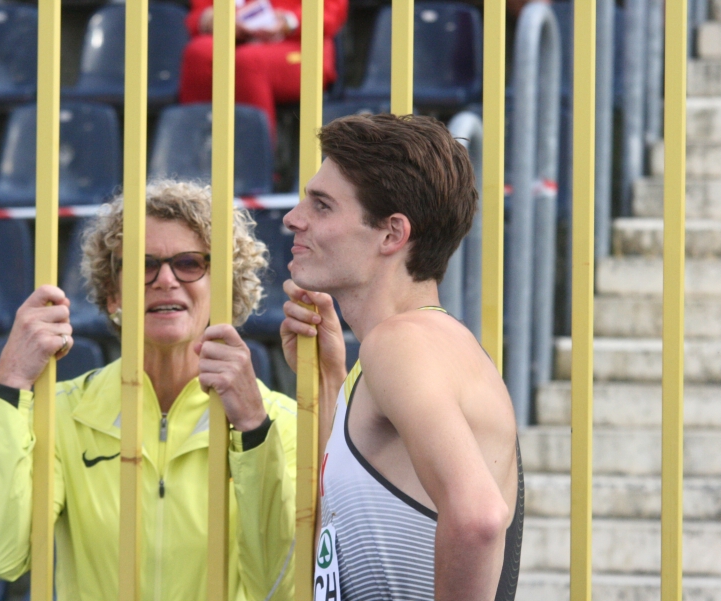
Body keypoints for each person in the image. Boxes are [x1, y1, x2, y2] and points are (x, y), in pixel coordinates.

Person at [0, 180, 298, 601]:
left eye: (190, 263)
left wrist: (251, 428)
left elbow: (283, 588)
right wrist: (10, 383)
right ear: (113, 294)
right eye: (142, 265)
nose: (165, 280)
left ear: (226, 287)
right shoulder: (64, 412)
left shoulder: (278, 423)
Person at [278, 113, 523, 601]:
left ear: (391, 235)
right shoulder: (411, 345)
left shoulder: (401, 344)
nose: (292, 217)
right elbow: (358, 521)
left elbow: (478, 519)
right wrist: (331, 380)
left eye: (322, 206)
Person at [178, 0, 348, 140]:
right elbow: (197, 15)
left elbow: (332, 14)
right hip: (235, 37)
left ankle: (256, 164)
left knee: (249, 61)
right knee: (199, 52)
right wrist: (212, 19)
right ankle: (193, 154)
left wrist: (288, 21)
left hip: (300, 45)